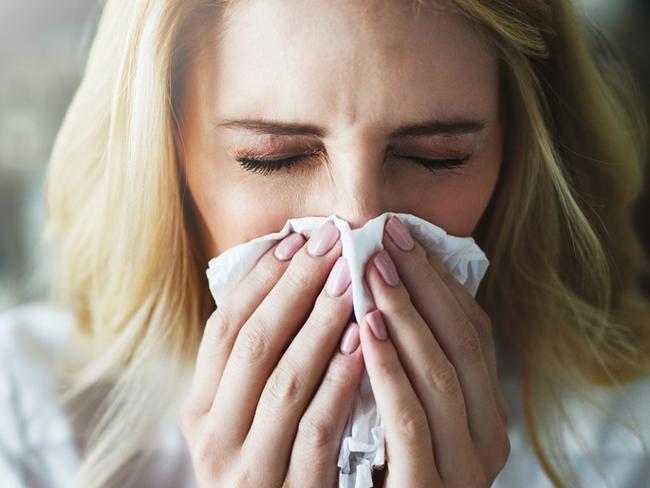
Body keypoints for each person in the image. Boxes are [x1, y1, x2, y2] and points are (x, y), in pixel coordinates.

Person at [1, 0, 649, 487]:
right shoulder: (28, 426)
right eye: (272, 158)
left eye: (435, 157)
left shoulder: (627, 433)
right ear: (165, 163)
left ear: (518, 157)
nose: (357, 222)